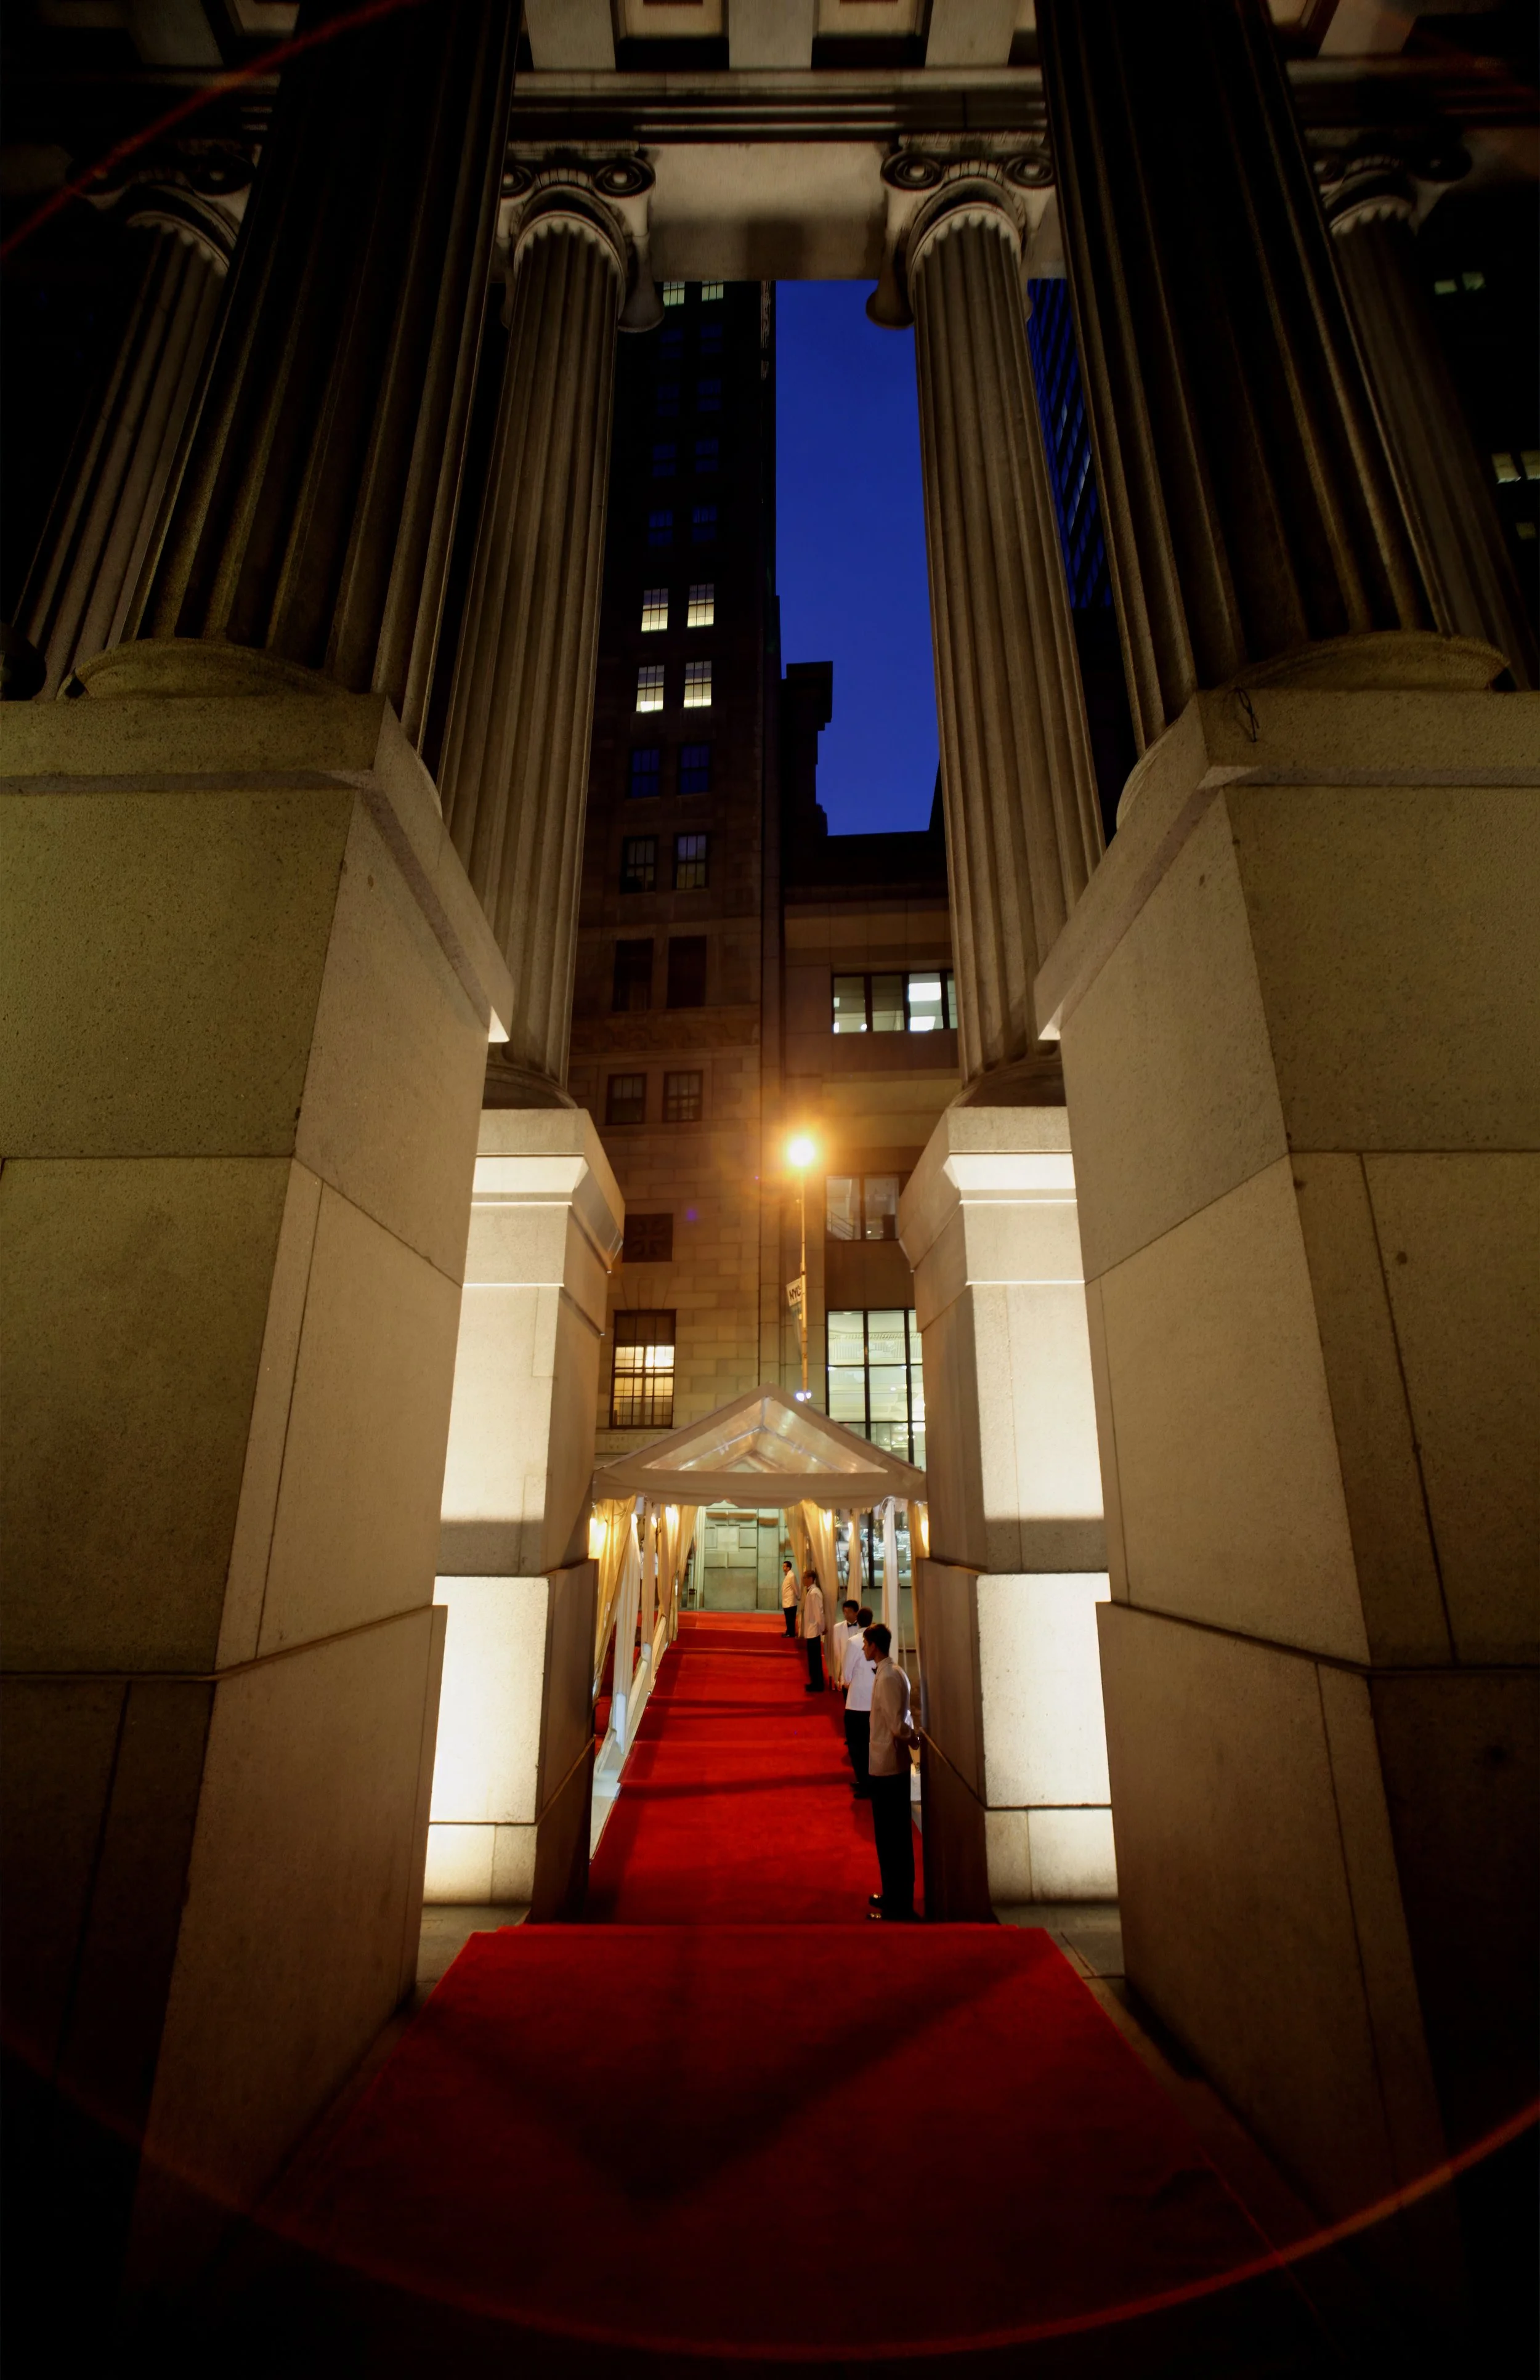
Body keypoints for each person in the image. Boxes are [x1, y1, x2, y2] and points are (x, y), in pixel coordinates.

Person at [864, 1622, 917, 1920]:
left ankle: (899, 1904)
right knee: (889, 1838)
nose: (863, 1648)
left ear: (875, 1646)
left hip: (889, 1767)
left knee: (892, 1838)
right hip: (885, 1763)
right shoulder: (889, 1673)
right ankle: (893, 1896)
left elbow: (898, 1726)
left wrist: (913, 1738)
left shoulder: (888, 1677)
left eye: (866, 1644)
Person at [841, 1605, 876, 1797]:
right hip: (875, 1698)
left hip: (857, 1701)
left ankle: (864, 1782)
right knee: (870, 1744)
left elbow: (846, 1673)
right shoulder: (878, 1640)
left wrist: (846, 1682)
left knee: (856, 1745)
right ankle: (868, 1780)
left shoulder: (854, 1641)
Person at [800, 1566, 826, 1692]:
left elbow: (818, 1613)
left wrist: (822, 1627)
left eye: (805, 1578)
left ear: (811, 1579)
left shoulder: (815, 1593)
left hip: (814, 1630)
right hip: (812, 1630)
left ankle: (817, 1683)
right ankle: (815, 1682)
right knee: (812, 1658)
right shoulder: (811, 1592)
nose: (803, 1580)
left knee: (814, 1659)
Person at [830, 1596, 859, 1686]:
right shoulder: (838, 1628)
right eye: (844, 1612)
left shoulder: (863, 1627)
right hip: (845, 1667)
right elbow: (837, 1651)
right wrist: (839, 1672)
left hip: (859, 1667)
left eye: (849, 1612)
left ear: (856, 1613)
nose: (846, 1615)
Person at [780, 1558, 798, 1637]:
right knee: (788, 1619)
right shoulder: (788, 1575)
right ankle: (789, 1631)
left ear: (788, 1567)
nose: (783, 1568)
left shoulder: (791, 1576)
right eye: (783, 1566)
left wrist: (798, 1596)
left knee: (790, 1619)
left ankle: (791, 1633)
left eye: (785, 1566)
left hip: (791, 1602)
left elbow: (795, 1587)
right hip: (787, 1601)